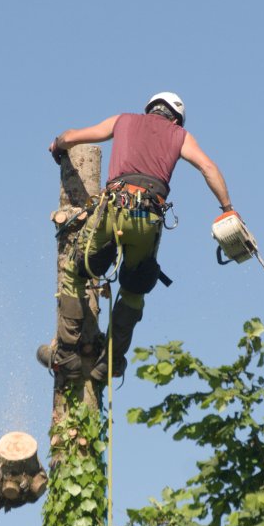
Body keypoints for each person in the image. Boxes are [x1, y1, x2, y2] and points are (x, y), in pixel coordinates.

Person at [39, 92, 235, 385]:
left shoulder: (123, 120)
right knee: (133, 289)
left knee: (75, 273)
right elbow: (208, 168)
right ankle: (110, 362)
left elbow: (73, 136)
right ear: (176, 118)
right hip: (147, 219)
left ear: (150, 110)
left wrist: (58, 143)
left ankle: (66, 355)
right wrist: (227, 209)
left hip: (113, 210)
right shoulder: (180, 136)